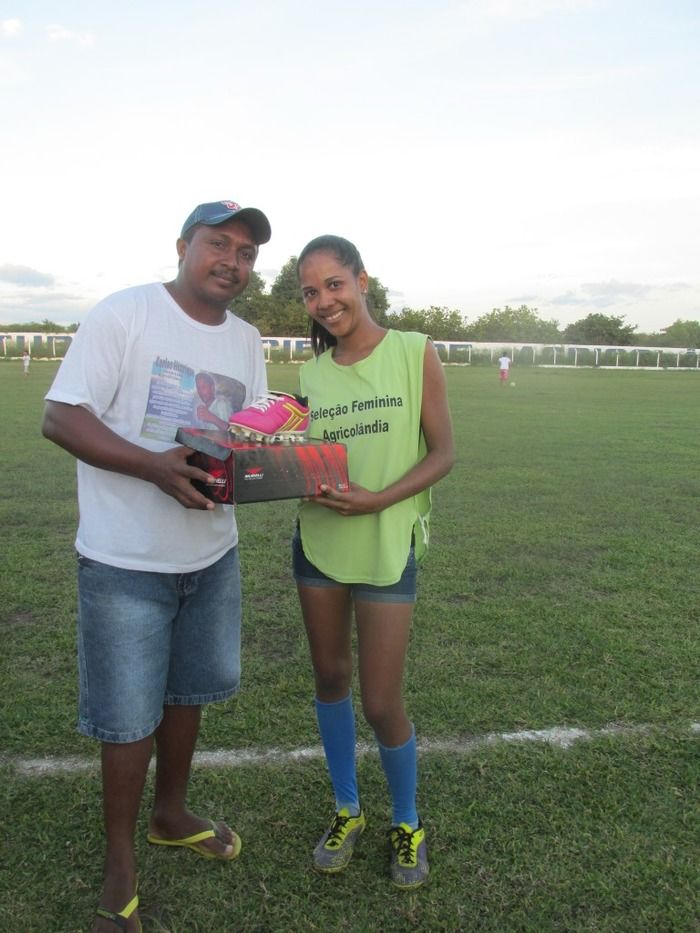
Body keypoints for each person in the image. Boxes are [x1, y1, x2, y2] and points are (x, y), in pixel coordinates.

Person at [41, 199, 271, 932]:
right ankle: (119, 860)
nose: (230, 260)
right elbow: (62, 415)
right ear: (183, 245)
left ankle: (170, 813)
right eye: (218, 243)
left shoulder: (248, 339)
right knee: (126, 714)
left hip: (211, 553)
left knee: (187, 692)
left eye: (245, 252)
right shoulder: (126, 314)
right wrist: (154, 468)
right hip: (125, 558)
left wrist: (282, 460)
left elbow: (248, 433)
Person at [292, 235, 454, 888]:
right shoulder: (310, 374)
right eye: (310, 291)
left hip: (386, 543)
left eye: (334, 283)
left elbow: (442, 453)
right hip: (319, 545)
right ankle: (347, 808)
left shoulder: (415, 352)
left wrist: (377, 501)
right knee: (331, 674)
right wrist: (290, 474)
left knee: (384, 700)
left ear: (362, 279)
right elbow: (306, 459)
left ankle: (408, 820)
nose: (324, 300)